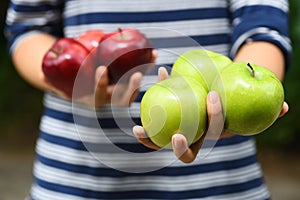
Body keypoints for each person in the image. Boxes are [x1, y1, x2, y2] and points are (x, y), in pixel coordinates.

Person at [5, 0, 290, 199]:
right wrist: (75, 84)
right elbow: (27, 28)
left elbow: (262, 26)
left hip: (222, 183)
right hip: (76, 179)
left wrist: (235, 105)